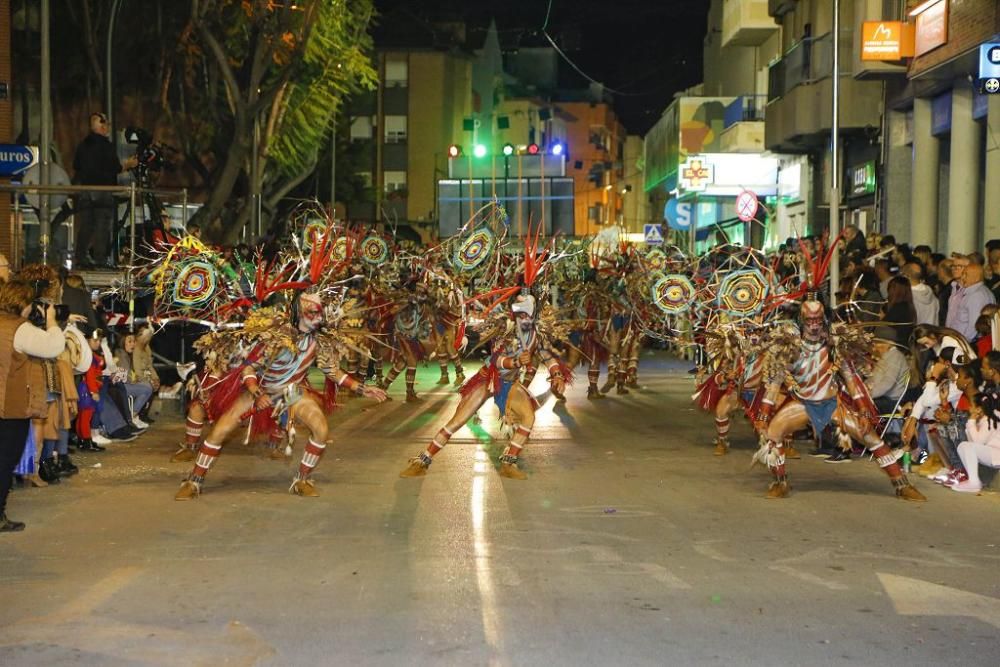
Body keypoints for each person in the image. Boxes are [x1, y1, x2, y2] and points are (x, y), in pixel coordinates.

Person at [0, 280, 66, 532]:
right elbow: (53, 346)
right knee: (5, 460)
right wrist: (51, 321)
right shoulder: (19, 329)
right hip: (9, 405)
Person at [72, 112, 138, 268]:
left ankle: (81, 257)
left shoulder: (83, 145)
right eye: (106, 125)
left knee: (86, 225)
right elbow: (114, 167)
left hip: (86, 191)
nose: (108, 127)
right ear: (101, 126)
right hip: (103, 190)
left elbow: (76, 166)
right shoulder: (106, 146)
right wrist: (128, 164)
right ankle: (101, 260)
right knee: (102, 226)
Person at [946, 259, 995, 341]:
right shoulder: (978, 292)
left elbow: (974, 325)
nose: (963, 277)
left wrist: (965, 342)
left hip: (967, 343)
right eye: (963, 274)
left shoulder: (976, 295)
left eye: (966, 275)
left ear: (976, 278)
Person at [901, 261, 939, 326]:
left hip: (916, 333)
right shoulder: (931, 293)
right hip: (932, 332)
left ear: (906, 276)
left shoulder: (906, 295)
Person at [882, 275, 916, 346]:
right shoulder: (907, 306)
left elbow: (883, 327)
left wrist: (882, 317)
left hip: (897, 345)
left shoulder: (899, 308)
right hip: (903, 343)